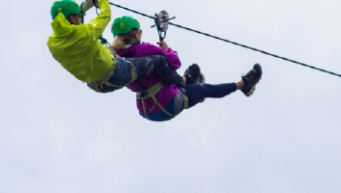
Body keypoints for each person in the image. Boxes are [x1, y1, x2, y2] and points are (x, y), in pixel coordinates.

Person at [110, 15, 263, 122]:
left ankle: (188, 84)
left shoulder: (116, 59)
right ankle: (245, 85)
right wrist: (167, 49)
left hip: (146, 109)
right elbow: (175, 62)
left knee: (163, 78)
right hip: (166, 104)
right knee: (205, 89)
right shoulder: (144, 49)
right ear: (136, 33)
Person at [47, 0, 185, 93]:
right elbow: (105, 16)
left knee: (107, 53)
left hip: (98, 86)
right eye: (77, 16)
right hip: (115, 73)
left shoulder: (52, 43)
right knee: (159, 61)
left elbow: (73, 31)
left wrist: (85, 7)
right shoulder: (86, 33)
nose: (79, 18)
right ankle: (182, 82)